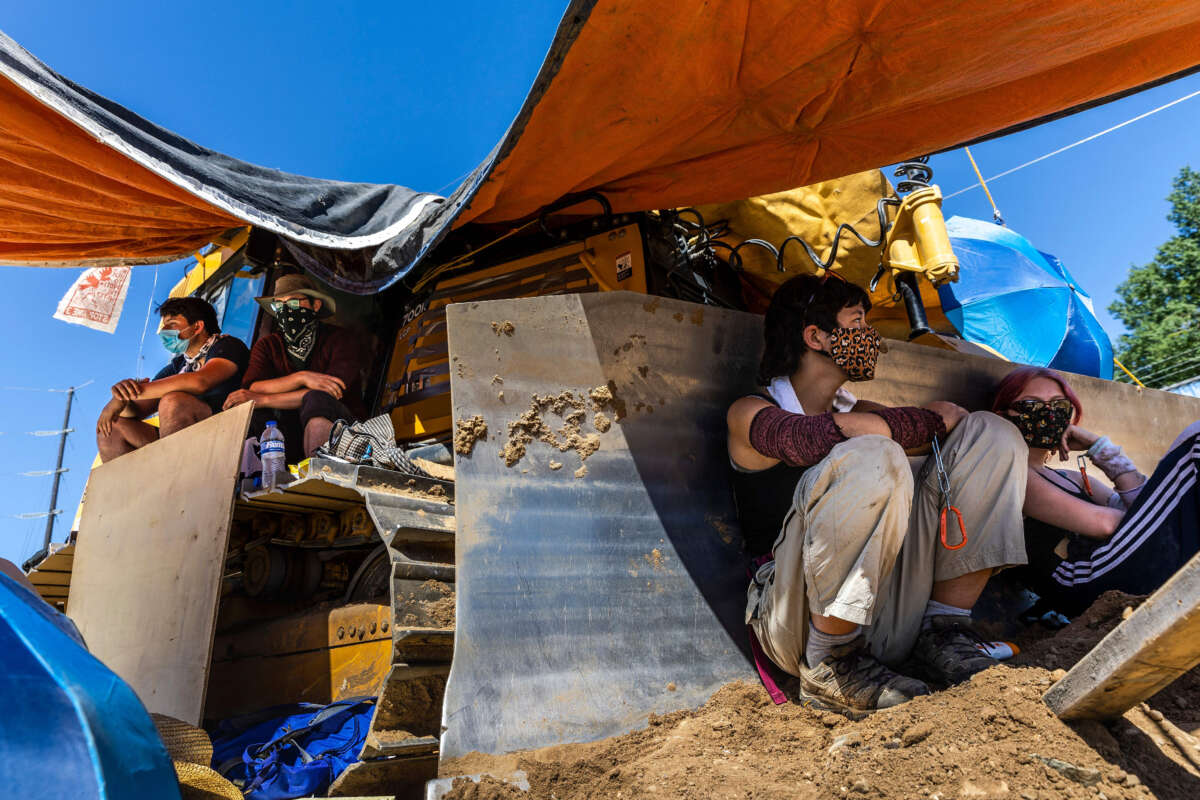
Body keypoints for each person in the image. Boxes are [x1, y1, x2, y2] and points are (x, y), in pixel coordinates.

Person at [727, 273, 1028, 716]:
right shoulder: (750, 411)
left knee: (992, 434)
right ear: (816, 337)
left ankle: (943, 632)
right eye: (858, 321)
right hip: (794, 622)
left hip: (884, 613)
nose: (873, 339)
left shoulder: (863, 413)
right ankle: (832, 663)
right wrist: (925, 423)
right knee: (873, 451)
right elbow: (803, 440)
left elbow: (963, 436)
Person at [992, 366, 1199, 617]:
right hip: (1077, 581)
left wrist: (1100, 449)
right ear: (1002, 416)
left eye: (1058, 405)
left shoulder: (1074, 478)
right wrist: (1176, 516)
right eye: (1031, 405)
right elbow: (1108, 524)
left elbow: (1141, 512)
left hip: (1116, 565)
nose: (1048, 413)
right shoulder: (1013, 473)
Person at [223, 273, 365, 462]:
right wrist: (302, 378)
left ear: (315, 305)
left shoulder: (341, 339)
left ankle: (324, 479)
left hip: (343, 431)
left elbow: (331, 391)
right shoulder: (267, 345)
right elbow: (254, 387)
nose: (285, 310)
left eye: (293, 303)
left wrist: (264, 399)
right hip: (288, 434)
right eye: (279, 305)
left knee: (316, 399)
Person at [97, 297, 249, 462]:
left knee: (173, 402)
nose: (164, 331)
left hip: (231, 432)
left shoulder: (227, 345)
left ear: (197, 326)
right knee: (112, 427)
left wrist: (131, 393)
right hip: (185, 444)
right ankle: (143, 484)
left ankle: (179, 478)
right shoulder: (179, 365)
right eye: (164, 326)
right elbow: (137, 410)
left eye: (172, 324)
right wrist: (120, 400)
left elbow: (200, 382)